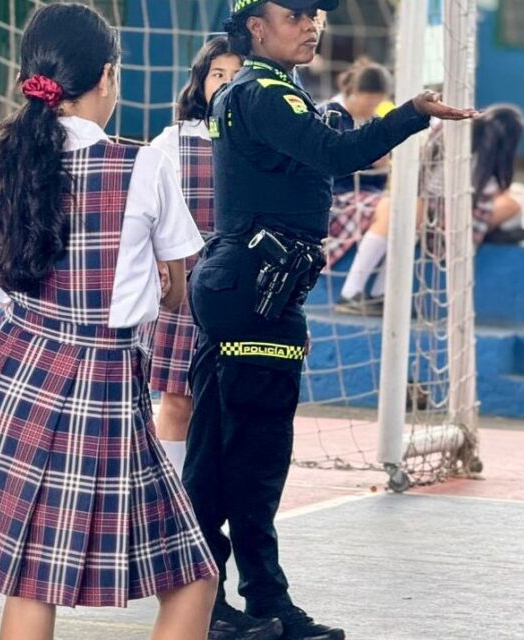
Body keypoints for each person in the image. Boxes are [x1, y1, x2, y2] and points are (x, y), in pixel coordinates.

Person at [0, 4, 217, 638]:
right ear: (106, 76)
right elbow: (177, 291)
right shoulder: (143, 164)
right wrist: (151, 288)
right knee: (195, 576)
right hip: (101, 384)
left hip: (10, 375)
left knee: (32, 583)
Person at [183, 1, 475, 638]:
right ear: (255, 26)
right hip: (253, 292)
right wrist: (411, 113)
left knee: (247, 456)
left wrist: (341, 122)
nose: (312, 23)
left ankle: (257, 600)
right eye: (296, 12)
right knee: (235, 459)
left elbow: (316, 155)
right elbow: (338, 155)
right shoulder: (259, 90)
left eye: (316, 13)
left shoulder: (273, 91)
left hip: (258, 289)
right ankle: (208, 606)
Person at [144, 36, 243, 480]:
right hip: (187, 284)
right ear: (200, 82)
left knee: (230, 401)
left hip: (240, 282)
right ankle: (168, 503)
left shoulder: (265, 139)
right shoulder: (173, 141)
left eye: (237, 75)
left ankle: (213, 501)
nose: (225, 83)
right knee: (178, 400)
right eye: (217, 74)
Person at [320, 61, 395, 314]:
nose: (372, 106)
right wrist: (367, 158)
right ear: (354, 92)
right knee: (391, 208)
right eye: (369, 100)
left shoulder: (373, 121)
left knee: (409, 211)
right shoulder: (331, 115)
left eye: (378, 102)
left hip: (367, 194)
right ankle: (350, 293)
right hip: (336, 197)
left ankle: (379, 293)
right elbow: (329, 165)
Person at [418, 104, 524, 256]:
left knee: (516, 193)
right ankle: (522, 231)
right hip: (454, 232)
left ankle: (522, 230)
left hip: (430, 219)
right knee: (516, 200)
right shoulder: (484, 166)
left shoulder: (450, 137)